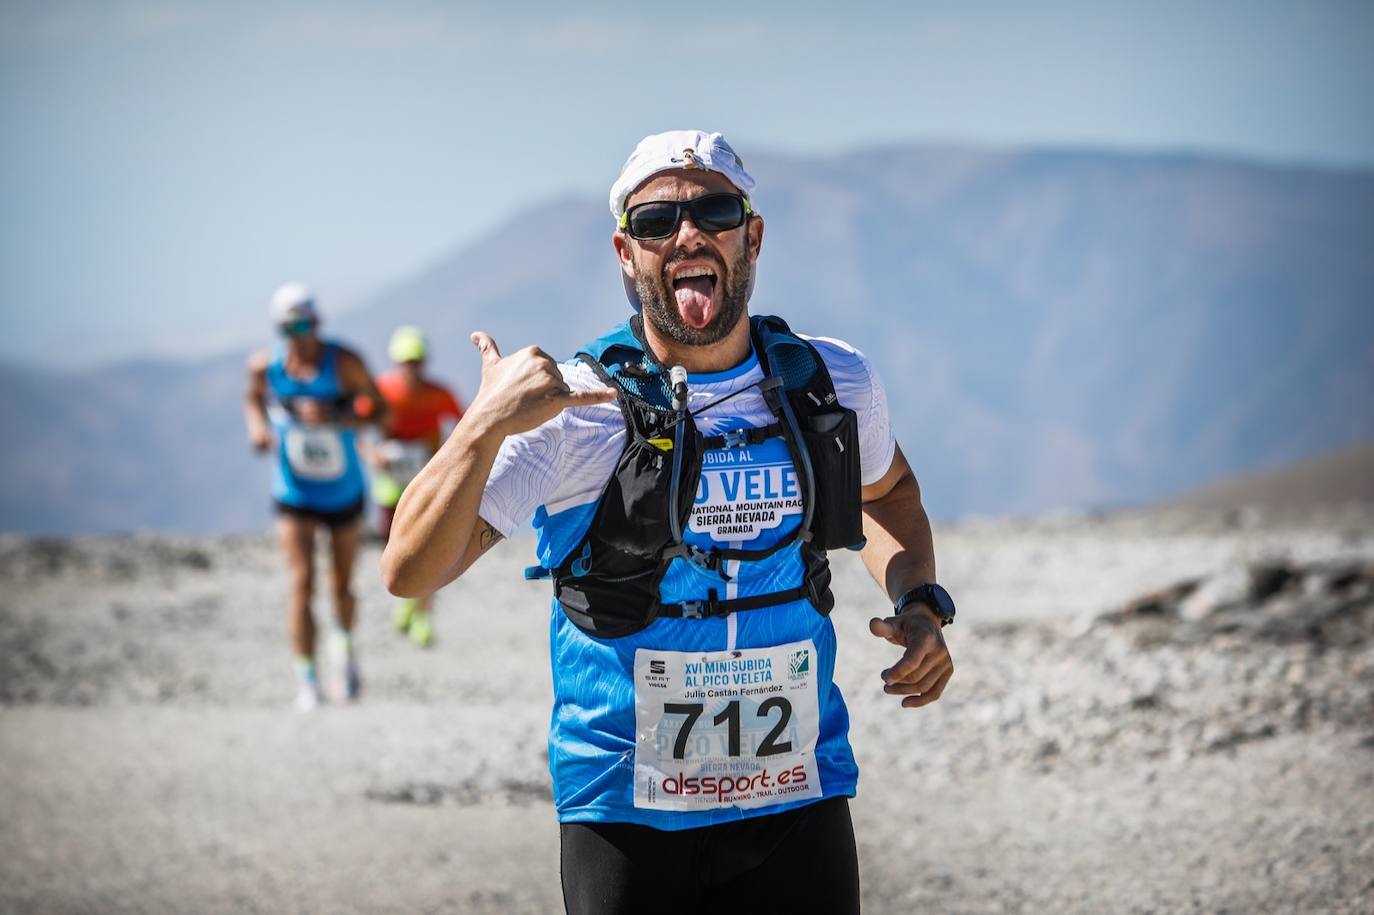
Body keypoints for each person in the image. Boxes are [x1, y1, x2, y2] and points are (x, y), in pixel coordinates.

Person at [382, 130, 956, 913]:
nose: (688, 233)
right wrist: (480, 427)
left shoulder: (832, 383)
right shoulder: (574, 410)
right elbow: (408, 570)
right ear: (626, 252)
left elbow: (887, 493)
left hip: (796, 787)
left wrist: (920, 602)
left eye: (714, 210)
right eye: (657, 222)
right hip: (625, 801)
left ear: (752, 235)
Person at [244, 282, 389, 711]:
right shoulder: (263, 367)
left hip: (343, 489)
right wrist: (257, 429)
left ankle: (344, 654)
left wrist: (340, 417)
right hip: (293, 489)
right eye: (288, 326)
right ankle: (307, 678)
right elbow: (252, 400)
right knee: (300, 583)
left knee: (340, 584)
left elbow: (381, 411)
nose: (298, 334)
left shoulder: (344, 364)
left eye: (305, 324)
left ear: (318, 323)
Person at [369, 325, 464, 647]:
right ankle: (405, 601)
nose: (412, 369)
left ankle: (421, 614)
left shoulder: (440, 394)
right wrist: (373, 453)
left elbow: (464, 424)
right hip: (390, 487)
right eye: (406, 362)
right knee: (396, 550)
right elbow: (356, 429)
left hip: (426, 484)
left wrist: (445, 459)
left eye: (417, 362)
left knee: (429, 551)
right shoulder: (382, 392)